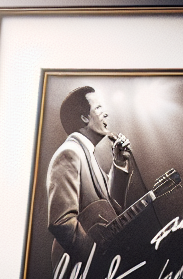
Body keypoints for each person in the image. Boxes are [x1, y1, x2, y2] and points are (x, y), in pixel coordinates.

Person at [47, 85, 133, 265]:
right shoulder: (69, 153)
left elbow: (113, 211)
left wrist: (118, 163)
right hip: (81, 274)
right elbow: (61, 222)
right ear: (85, 117)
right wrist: (95, 260)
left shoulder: (87, 155)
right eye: (99, 108)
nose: (106, 114)